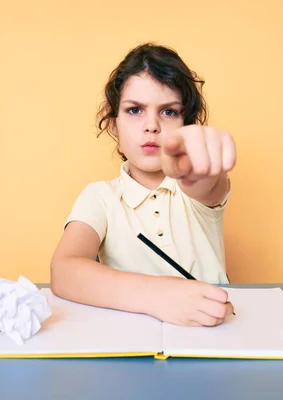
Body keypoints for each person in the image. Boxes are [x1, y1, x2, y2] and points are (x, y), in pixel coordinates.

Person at [50, 42, 237, 327]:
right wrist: (158, 296)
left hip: (215, 333)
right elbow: (64, 271)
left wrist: (205, 162)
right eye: (135, 110)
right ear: (114, 125)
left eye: (169, 112)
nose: (152, 125)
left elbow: (207, 183)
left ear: (187, 124)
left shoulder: (193, 187)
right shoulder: (100, 197)